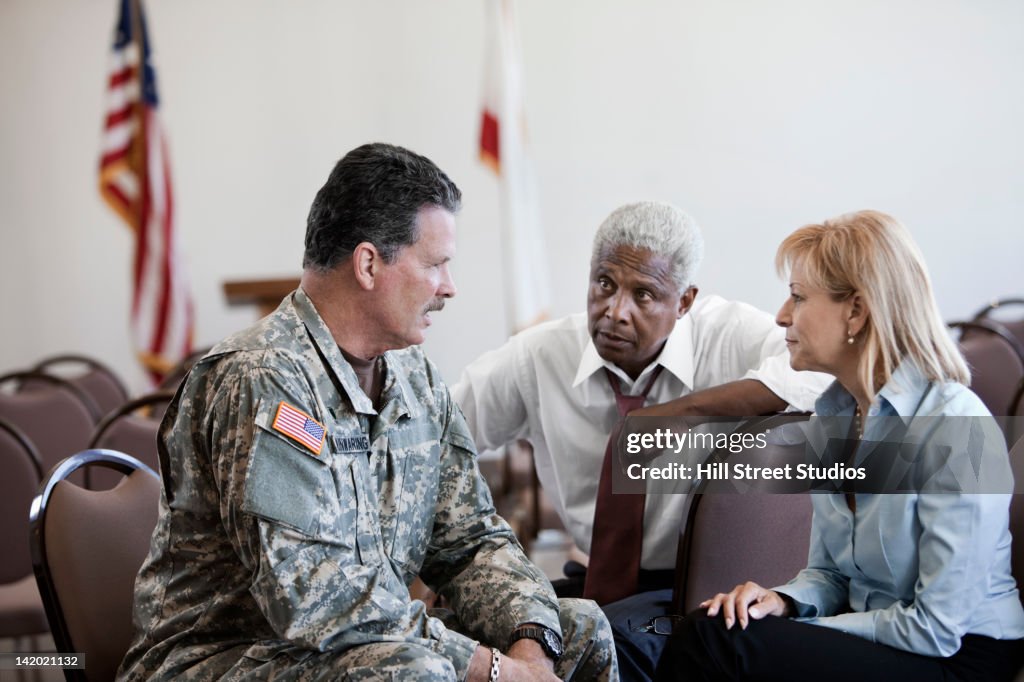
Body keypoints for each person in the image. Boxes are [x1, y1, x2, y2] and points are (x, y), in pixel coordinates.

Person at [118, 143, 616, 681]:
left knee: (578, 629)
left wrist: (529, 647)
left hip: (350, 652)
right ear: (369, 264)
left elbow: (471, 541)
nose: (450, 287)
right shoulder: (262, 378)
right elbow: (311, 595)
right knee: (413, 673)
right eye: (435, 265)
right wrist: (491, 669)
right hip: (221, 659)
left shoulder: (414, 376)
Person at [452, 201, 830, 681]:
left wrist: (681, 413)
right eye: (604, 284)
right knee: (468, 637)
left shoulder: (729, 336)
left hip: (693, 593)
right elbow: (440, 435)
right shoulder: (540, 356)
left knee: (600, 644)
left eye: (644, 294)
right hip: (593, 579)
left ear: (685, 301)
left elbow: (821, 375)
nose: (615, 312)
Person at [655, 210, 1024, 681]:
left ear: (856, 310)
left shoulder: (956, 425)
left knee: (715, 640)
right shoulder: (834, 417)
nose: (781, 315)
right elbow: (830, 574)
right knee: (716, 623)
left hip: (959, 656)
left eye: (798, 297)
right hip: (885, 638)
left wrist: (814, 630)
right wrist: (784, 601)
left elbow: (937, 629)